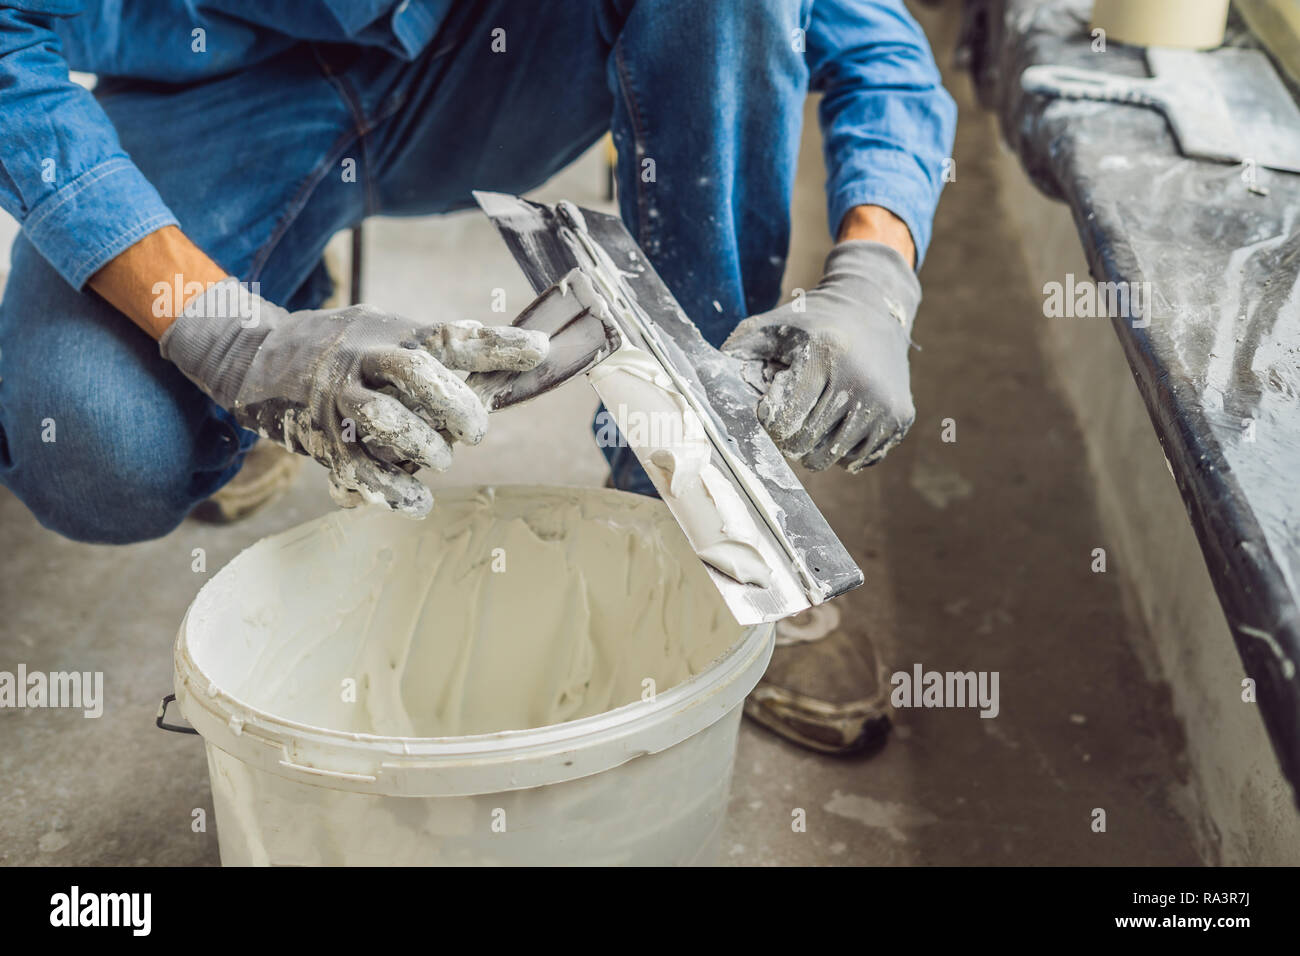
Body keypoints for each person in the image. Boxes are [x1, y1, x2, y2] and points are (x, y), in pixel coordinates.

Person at [0, 0, 955, 749]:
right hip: (219, 81)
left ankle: (703, 515)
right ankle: (275, 301)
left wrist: (876, 274)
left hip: (493, 65)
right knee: (97, 450)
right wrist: (227, 338)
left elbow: (874, 45)